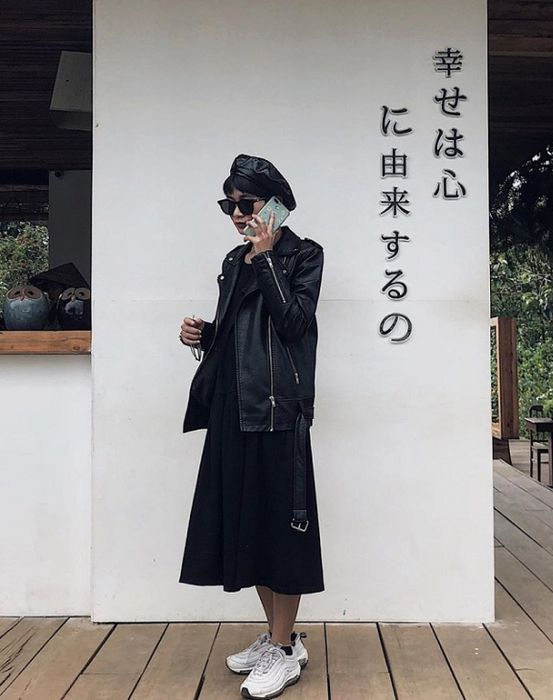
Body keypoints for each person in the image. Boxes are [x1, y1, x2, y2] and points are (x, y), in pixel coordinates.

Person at [177, 153, 325, 699]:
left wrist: (265, 259)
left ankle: (283, 651)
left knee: (282, 532)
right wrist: (204, 333)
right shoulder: (232, 260)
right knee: (250, 526)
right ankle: (279, 638)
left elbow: (293, 325)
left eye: (247, 204)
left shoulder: (304, 255)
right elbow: (241, 332)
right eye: (230, 206)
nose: (238, 215)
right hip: (233, 410)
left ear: (276, 205)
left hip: (279, 411)